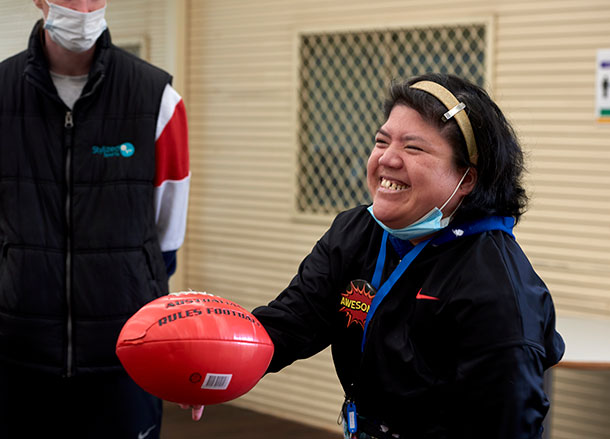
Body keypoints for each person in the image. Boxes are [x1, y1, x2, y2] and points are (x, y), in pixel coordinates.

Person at [248, 73, 565, 438]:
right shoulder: (356, 232)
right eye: (381, 141)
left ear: (466, 180)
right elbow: (289, 323)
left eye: (413, 148)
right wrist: (210, 366)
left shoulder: (495, 288)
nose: (387, 159)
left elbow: (509, 426)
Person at [0, 1, 190, 438]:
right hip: (18, 356)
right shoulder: (4, 93)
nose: (83, 7)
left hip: (124, 358)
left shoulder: (157, 98)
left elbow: (166, 239)